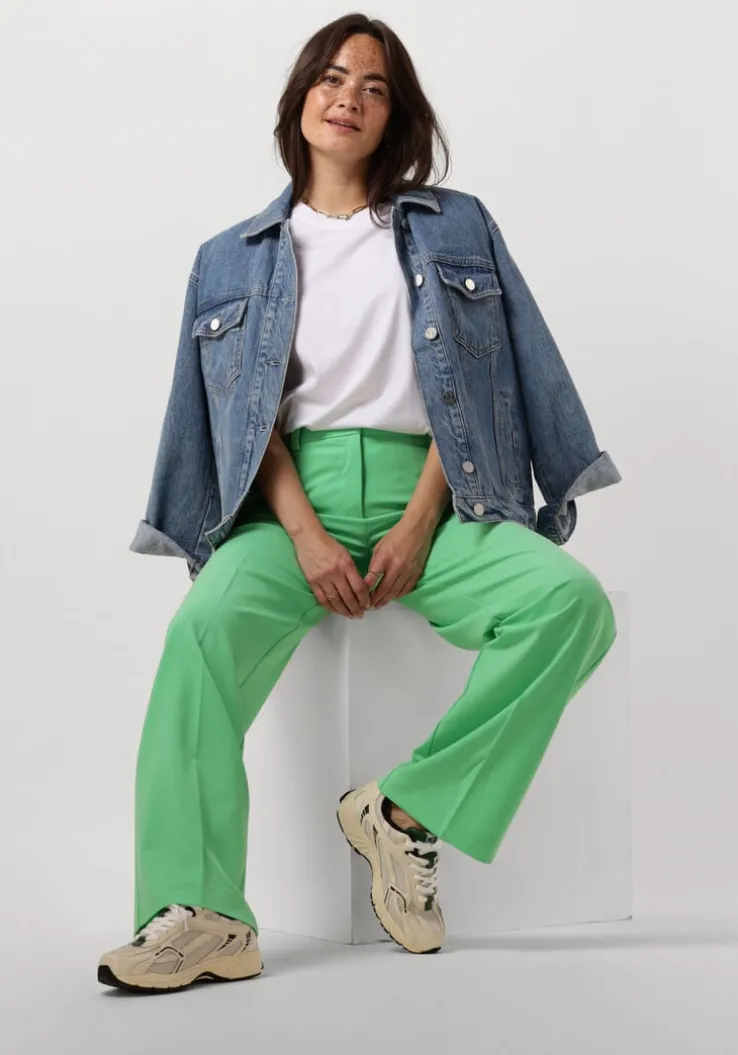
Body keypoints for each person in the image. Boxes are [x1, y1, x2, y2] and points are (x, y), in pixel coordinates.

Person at [98, 13, 621, 993]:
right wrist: (303, 535)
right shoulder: (230, 257)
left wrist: (423, 522)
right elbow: (237, 423)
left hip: (441, 492)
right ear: (300, 98)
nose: (349, 98)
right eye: (332, 78)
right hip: (294, 501)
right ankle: (204, 914)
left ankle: (405, 811)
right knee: (200, 635)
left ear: (396, 116)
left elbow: (488, 379)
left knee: (571, 603)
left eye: (375, 88)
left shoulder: (455, 226)